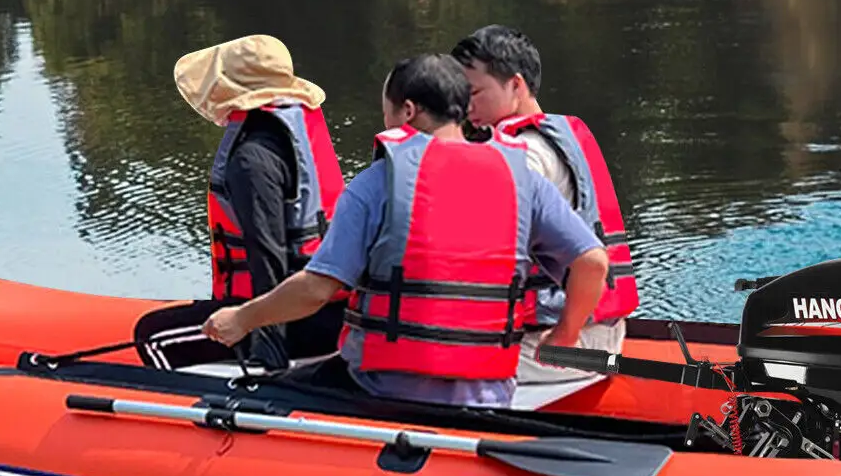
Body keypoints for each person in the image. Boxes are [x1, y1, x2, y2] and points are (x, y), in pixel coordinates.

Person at [201, 54, 610, 408]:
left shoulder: (378, 182)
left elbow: (315, 290)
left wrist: (242, 318)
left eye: (387, 111)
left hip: (381, 387)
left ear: (408, 111)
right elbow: (592, 261)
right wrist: (565, 334)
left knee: (261, 397)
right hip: (488, 393)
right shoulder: (523, 179)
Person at [452, 25, 639, 384]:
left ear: (516, 85)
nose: (465, 106)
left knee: (413, 358)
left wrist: (566, 335)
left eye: (475, 92)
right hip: (599, 331)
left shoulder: (523, 155)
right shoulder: (551, 136)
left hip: (562, 341)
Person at [163, 34, 347, 371]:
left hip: (295, 319)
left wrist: (267, 347)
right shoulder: (293, 128)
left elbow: (268, 256)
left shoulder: (251, 158)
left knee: (150, 338)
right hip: (326, 306)